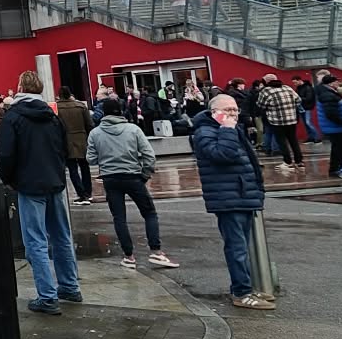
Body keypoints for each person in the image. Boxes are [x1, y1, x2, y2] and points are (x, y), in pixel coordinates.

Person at [0, 72, 84, 316]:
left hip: (29, 183)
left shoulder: (13, 117)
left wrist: (9, 179)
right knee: (61, 236)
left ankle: (47, 295)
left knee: (35, 240)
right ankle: (69, 286)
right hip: (54, 181)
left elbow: (6, 154)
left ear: (19, 87)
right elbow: (64, 148)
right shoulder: (52, 116)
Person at [191, 94, 275, 310]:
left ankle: (246, 287)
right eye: (227, 110)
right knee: (237, 249)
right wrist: (227, 130)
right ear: (214, 112)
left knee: (242, 246)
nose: (233, 114)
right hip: (228, 198)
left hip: (241, 194)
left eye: (235, 110)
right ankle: (241, 292)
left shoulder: (228, 129)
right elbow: (223, 155)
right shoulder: (206, 132)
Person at [86, 98, 172, 268]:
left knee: (119, 218)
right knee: (149, 213)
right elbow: (149, 155)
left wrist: (105, 157)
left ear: (103, 113)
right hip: (133, 176)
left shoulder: (95, 133)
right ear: (121, 111)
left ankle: (129, 256)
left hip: (110, 178)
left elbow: (91, 159)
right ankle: (156, 251)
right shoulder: (133, 129)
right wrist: (145, 174)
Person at [254, 73, 304, 171]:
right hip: (291, 119)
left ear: (266, 82)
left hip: (276, 120)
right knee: (293, 140)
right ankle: (299, 162)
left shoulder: (266, 91)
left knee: (281, 141)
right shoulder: (287, 88)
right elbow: (298, 100)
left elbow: (260, 105)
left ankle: (288, 162)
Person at [55, 87, 93, 203]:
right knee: (85, 167)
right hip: (81, 138)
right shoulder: (80, 106)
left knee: (72, 169)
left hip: (66, 141)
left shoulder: (57, 108)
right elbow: (89, 124)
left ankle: (81, 193)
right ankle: (88, 192)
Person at [314, 72, 342, 177]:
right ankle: (337, 169)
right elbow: (331, 113)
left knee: (341, 148)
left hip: (336, 127)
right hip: (336, 127)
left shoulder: (329, 92)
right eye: (336, 81)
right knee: (340, 149)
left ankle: (340, 168)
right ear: (330, 84)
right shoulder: (328, 95)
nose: (338, 83)